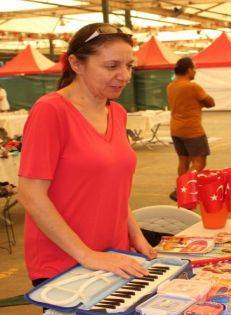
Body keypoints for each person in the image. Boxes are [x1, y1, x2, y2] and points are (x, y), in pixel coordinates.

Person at [18, 22, 156, 292]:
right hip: (65, 261)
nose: (124, 75)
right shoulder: (51, 111)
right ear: (76, 64)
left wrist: (136, 237)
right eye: (111, 66)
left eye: (129, 66)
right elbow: (30, 194)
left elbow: (112, 189)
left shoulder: (117, 113)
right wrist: (87, 255)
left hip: (115, 255)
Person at [166, 57, 215, 202]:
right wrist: (201, 103)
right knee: (200, 162)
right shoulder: (192, 86)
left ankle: (182, 190)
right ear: (188, 70)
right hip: (192, 130)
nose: (195, 72)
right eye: (194, 69)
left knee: (183, 160)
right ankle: (183, 187)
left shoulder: (171, 86)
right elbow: (210, 102)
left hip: (176, 129)